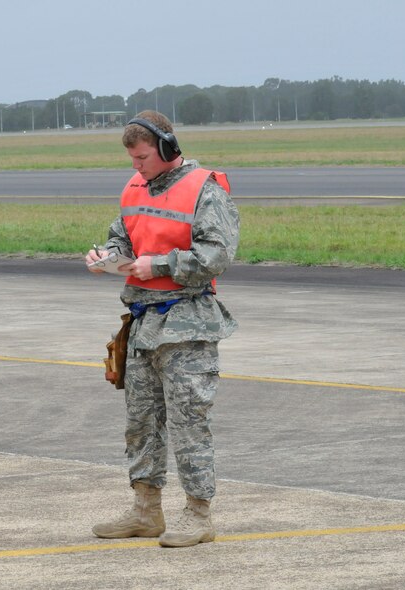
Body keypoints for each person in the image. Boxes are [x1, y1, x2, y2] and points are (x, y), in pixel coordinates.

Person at [85, 110, 239, 547]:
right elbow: (123, 236)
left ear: (169, 148)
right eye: (132, 159)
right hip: (142, 323)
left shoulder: (204, 190)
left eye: (144, 157)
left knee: (189, 422)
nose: (138, 166)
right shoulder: (135, 187)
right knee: (142, 423)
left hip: (186, 322)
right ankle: (145, 510)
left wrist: (161, 264)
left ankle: (198, 514)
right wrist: (106, 256)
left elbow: (217, 255)